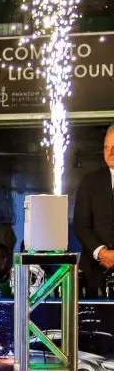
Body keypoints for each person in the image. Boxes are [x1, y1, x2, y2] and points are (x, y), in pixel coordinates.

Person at [73, 124, 114, 297]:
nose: (109, 153)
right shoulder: (89, 182)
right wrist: (101, 253)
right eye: (106, 148)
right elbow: (81, 225)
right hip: (95, 276)